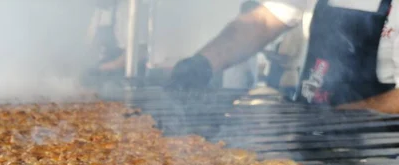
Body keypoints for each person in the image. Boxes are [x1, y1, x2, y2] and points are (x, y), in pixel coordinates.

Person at [168, 0, 399, 113]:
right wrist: (202, 64)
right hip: (310, 129)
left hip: (377, 150)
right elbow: (262, 21)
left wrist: (342, 114)